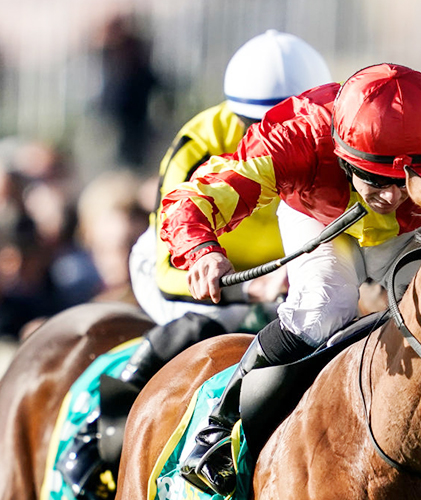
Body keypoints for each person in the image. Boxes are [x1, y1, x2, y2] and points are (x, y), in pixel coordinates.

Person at [162, 62, 421, 495]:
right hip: (322, 221)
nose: (391, 197)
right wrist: (201, 250)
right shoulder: (299, 135)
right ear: (340, 152)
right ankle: (220, 427)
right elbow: (198, 194)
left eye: (406, 180)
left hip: (416, 230)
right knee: (321, 309)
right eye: (376, 178)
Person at [57, 30, 332, 497]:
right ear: (234, 114)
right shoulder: (200, 143)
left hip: (288, 270)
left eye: (298, 123)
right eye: (258, 125)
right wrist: (250, 288)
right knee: (212, 321)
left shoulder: (335, 137)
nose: (279, 143)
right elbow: (171, 270)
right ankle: (97, 429)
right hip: (187, 270)